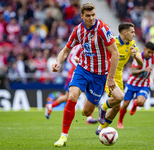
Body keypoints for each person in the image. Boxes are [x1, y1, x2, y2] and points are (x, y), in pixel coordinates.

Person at [52, 3, 119, 147]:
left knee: (86, 111)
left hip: (100, 76)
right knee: (71, 96)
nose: (91, 18)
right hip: (83, 69)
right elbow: (65, 50)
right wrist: (58, 61)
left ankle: (99, 109)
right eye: (88, 16)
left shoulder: (102, 28)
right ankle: (63, 137)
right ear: (82, 16)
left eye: (93, 15)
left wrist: (111, 78)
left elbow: (115, 52)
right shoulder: (78, 30)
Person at [96, 22, 143, 134]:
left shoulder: (132, 43)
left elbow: (141, 63)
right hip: (108, 75)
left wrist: (135, 55)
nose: (134, 35)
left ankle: (100, 129)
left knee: (117, 107)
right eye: (132, 32)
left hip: (119, 76)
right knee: (120, 97)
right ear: (124, 32)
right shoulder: (112, 42)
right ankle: (102, 108)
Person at [45, 44, 98, 124]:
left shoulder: (91, 46)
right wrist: (81, 68)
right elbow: (70, 58)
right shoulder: (79, 46)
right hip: (74, 75)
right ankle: (50, 106)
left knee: (89, 94)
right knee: (68, 97)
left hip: (85, 75)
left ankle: (89, 117)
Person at [117, 41, 154, 129]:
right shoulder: (138, 57)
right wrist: (144, 70)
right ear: (144, 49)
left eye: (152, 53)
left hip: (144, 84)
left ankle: (135, 105)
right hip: (132, 83)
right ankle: (120, 121)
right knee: (125, 104)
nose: (150, 54)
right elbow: (133, 72)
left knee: (140, 103)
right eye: (149, 52)